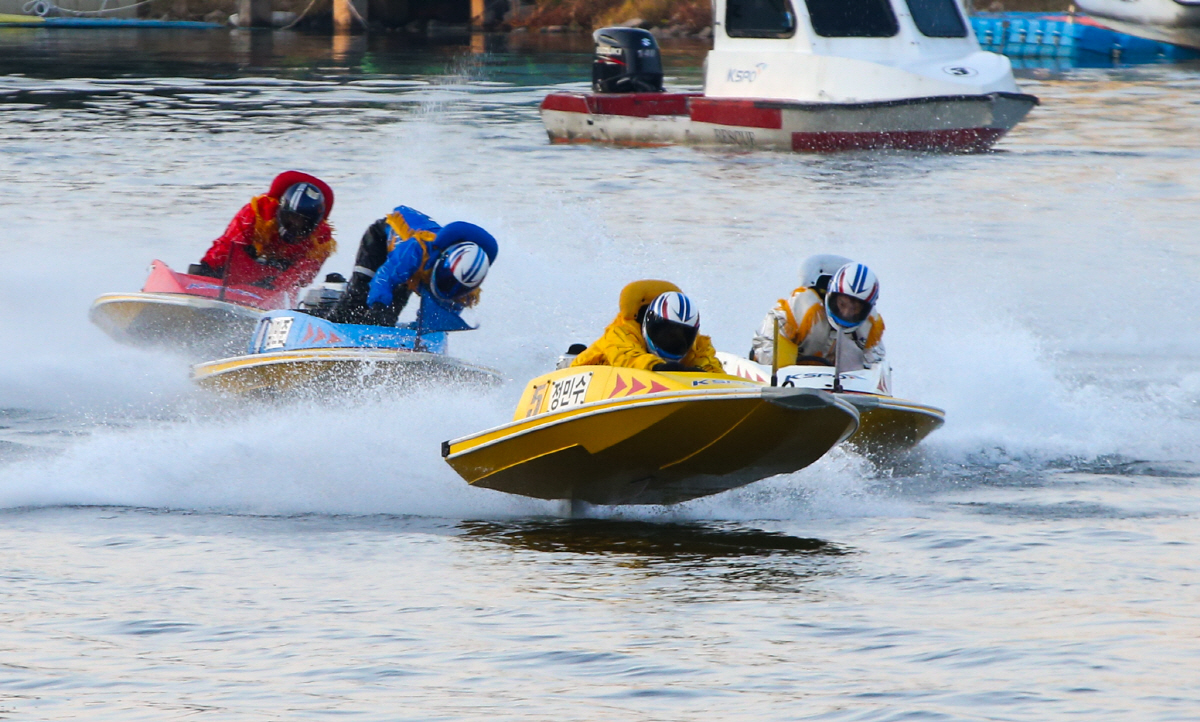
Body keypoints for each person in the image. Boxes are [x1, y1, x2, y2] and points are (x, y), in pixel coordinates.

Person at [327, 205, 497, 326]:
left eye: (457, 287)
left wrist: (421, 330)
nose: (452, 290)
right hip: (382, 242)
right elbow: (385, 277)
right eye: (449, 280)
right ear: (444, 260)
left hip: (412, 271)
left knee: (388, 317)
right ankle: (330, 324)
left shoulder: (466, 289)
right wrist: (378, 306)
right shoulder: (418, 250)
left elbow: (437, 320)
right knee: (358, 298)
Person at [189, 171, 336, 293]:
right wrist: (208, 266)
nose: (294, 225)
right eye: (291, 218)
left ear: (315, 224)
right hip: (239, 267)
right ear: (280, 209)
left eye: (302, 223)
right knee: (213, 265)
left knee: (285, 283)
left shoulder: (321, 240)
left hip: (275, 283)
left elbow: (303, 274)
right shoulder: (258, 211)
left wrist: (275, 286)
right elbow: (229, 243)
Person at [750, 259, 885, 370]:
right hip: (787, 379)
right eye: (842, 304)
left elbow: (876, 371)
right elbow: (767, 342)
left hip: (837, 386)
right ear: (831, 294)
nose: (846, 312)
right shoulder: (801, 306)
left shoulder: (871, 327)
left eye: (855, 308)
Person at [571, 279, 724, 373]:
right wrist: (657, 367)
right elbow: (627, 357)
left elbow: (710, 366)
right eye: (668, 332)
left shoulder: (698, 344)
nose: (675, 340)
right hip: (583, 376)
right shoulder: (620, 333)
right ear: (650, 321)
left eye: (683, 334)